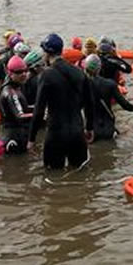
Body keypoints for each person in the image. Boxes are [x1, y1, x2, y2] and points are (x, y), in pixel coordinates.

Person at [30, 34, 95, 170]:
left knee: (52, 175)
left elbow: (39, 110)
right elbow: (90, 103)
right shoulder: (79, 73)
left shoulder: (46, 76)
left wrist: (32, 138)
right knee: (80, 175)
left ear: (47, 53)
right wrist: (89, 128)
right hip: (77, 132)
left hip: (56, 134)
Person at [84, 54, 133, 141]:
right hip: (108, 129)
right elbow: (125, 105)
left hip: (90, 131)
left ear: (85, 67)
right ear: (99, 68)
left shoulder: (80, 85)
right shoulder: (110, 84)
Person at [0, 56, 34, 154]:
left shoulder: (12, 87)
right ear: (10, 73)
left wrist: (38, 107)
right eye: (19, 72)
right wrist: (40, 115)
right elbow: (20, 116)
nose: (24, 74)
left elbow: (23, 108)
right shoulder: (11, 93)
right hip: (13, 138)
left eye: (25, 71)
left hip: (9, 134)